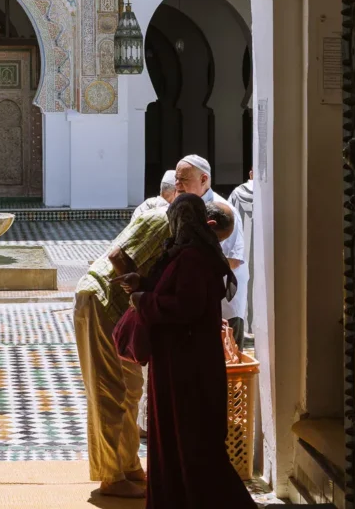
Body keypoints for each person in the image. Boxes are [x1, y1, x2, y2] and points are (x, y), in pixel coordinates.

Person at [114, 193, 256, 508]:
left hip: (187, 366)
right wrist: (142, 284)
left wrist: (144, 301)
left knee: (191, 441)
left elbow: (186, 306)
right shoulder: (185, 253)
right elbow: (172, 290)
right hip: (177, 361)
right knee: (176, 438)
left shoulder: (193, 257)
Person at [74, 208, 171, 499]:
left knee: (131, 389)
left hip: (120, 311)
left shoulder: (174, 224)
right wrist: (136, 292)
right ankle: (111, 476)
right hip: (102, 300)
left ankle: (129, 464)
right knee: (109, 391)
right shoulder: (163, 220)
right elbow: (117, 255)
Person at [174, 154, 249, 349]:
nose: (177, 185)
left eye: (183, 179)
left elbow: (232, 260)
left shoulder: (223, 210)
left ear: (204, 179)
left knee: (227, 359)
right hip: (197, 304)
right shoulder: (183, 206)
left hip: (225, 305)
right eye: (176, 178)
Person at [229, 169, 254, 338]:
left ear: (251, 173)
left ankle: (247, 328)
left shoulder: (237, 194)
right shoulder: (273, 192)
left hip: (241, 250)